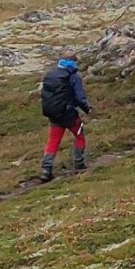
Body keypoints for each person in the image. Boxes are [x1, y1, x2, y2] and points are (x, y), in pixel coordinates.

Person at [39, 53, 92, 181]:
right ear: (73, 63)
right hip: (69, 115)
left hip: (54, 115)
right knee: (79, 135)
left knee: (53, 141)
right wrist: (87, 109)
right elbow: (80, 97)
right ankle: (79, 163)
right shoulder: (73, 76)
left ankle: (46, 170)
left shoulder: (50, 74)